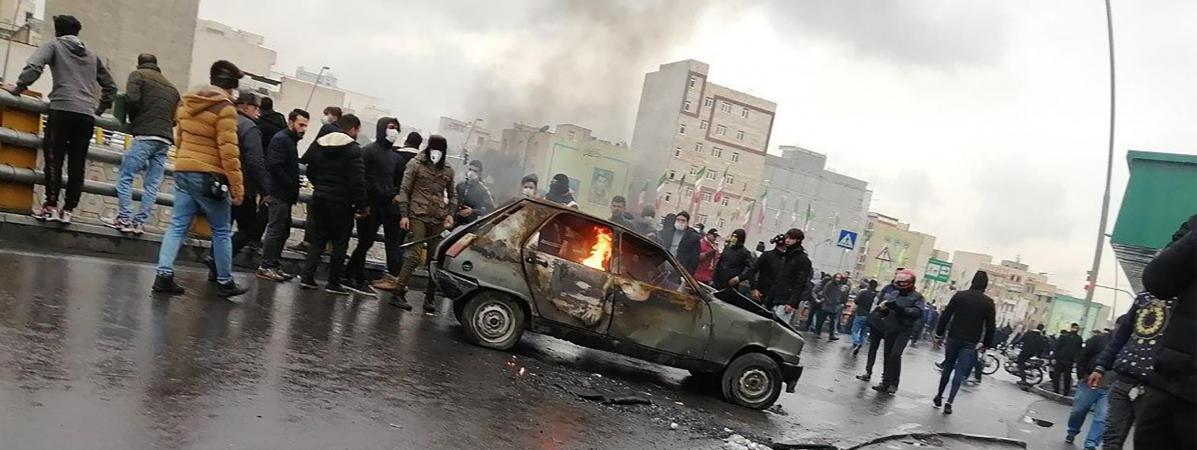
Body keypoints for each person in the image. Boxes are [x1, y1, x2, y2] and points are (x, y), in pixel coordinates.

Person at [1090, 215, 1195, 450]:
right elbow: (1122, 335)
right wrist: (1101, 366)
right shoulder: (1146, 299)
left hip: (1152, 384)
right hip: (1159, 383)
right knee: (1112, 438)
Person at [5, 15, 117, 224]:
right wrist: (98, 110)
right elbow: (110, 86)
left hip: (62, 109)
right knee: (77, 163)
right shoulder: (92, 55)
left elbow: (34, 67)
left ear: (57, 30)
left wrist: (19, 87)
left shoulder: (54, 46)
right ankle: (69, 210)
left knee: (54, 158)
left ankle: (51, 205)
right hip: (86, 115)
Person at [150, 60, 246, 297]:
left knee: (177, 226)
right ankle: (225, 281)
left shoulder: (187, 102)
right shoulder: (225, 108)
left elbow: (180, 138)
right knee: (222, 230)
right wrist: (237, 188)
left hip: (183, 169)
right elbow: (229, 151)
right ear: (231, 86)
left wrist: (182, 164)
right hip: (209, 175)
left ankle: (163, 276)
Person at [104, 53, 179, 234]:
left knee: (126, 176)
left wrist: (133, 119)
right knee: (152, 184)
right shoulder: (172, 88)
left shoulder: (137, 76)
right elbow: (175, 119)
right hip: (165, 139)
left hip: (145, 135)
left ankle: (124, 218)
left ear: (138, 64)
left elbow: (132, 99)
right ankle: (139, 223)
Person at [297, 114, 367, 295]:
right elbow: (357, 181)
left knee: (318, 239)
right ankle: (333, 282)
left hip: (319, 197)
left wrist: (320, 186)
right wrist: (361, 205)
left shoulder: (321, 144)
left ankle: (307, 277)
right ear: (353, 129)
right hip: (342, 202)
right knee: (340, 242)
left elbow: (311, 170)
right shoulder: (353, 150)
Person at [204, 91, 271, 281]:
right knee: (249, 229)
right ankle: (218, 261)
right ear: (245, 106)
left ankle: (214, 269)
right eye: (255, 108)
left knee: (222, 228)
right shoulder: (249, 127)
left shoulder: (226, 120)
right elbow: (255, 161)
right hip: (244, 185)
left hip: (220, 181)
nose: (258, 113)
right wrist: (265, 190)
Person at [392, 135, 457, 313]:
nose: (436, 153)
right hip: (417, 214)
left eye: (440, 150)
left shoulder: (448, 170)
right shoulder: (415, 164)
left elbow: (453, 195)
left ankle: (430, 297)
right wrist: (404, 215)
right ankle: (398, 291)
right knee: (414, 254)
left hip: (437, 217)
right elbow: (404, 190)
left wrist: (450, 214)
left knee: (435, 259)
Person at [342, 117, 404, 296]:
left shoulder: (393, 156)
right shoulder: (368, 151)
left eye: (397, 128)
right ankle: (349, 275)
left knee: (366, 242)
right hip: (369, 204)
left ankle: (357, 276)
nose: (394, 131)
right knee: (365, 242)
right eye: (391, 127)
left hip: (384, 205)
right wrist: (364, 202)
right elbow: (361, 177)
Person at [255, 108, 309, 282]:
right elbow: (274, 166)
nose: (303, 129)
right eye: (301, 124)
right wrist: (290, 182)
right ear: (291, 122)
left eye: (306, 126)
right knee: (275, 230)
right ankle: (266, 266)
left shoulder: (289, 140)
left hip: (285, 194)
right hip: (278, 192)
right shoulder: (282, 139)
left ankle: (274, 264)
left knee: (283, 230)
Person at [931, 271, 996, 415]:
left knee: (947, 367)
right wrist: (986, 343)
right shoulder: (988, 303)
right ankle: (949, 402)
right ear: (985, 285)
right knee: (960, 372)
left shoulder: (960, 296)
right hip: (971, 342)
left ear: (972, 281)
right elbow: (991, 326)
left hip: (954, 337)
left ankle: (939, 396)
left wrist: (939, 334)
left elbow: (946, 315)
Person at [371, 132, 422, 293]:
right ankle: (396, 276)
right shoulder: (421, 162)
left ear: (406, 141)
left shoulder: (395, 156)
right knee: (402, 244)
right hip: (411, 209)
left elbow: (388, 178)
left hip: (393, 206)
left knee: (392, 242)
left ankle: (394, 277)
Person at [871, 269, 925, 394]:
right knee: (887, 355)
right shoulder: (894, 294)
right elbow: (886, 309)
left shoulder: (917, 297)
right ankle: (885, 382)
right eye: (899, 282)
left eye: (903, 282)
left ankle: (894, 383)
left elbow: (917, 312)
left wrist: (901, 309)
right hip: (890, 327)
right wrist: (883, 309)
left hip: (904, 329)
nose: (901, 285)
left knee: (895, 354)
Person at [1067, 328, 1111, 450]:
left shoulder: (1129, 345)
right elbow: (1083, 355)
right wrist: (1082, 375)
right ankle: (1072, 431)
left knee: (1102, 417)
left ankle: (1091, 443)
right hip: (1089, 381)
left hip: (1110, 387)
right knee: (1079, 410)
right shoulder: (1099, 339)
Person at [762, 229, 812, 325]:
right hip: (777, 298)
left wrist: (792, 303)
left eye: (791, 238)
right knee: (771, 328)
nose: (787, 240)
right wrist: (767, 300)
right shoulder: (787, 257)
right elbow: (779, 280)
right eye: (787, 237)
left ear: (798, 240)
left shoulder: (802, 259)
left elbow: (801, 283)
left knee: (779, 329)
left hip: (786, 301)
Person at [731, 234, 785, 303]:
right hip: (760, 293)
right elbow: (752, 270)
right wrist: (753, 288)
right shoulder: (768, 255)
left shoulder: (785, 260)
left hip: (772, 297)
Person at [456, 159, 496, 226]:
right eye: (470, 169)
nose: (471, 173)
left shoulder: (483, 190)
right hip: (456, 222)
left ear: (479, 173)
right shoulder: (460, 185)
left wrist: (473, 211)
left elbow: (490, 210)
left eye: (475, 171)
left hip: (471, 225)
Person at [1053, 323, 1084, 396]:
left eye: (1076, 328)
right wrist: (1054, 357)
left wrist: (1076, 361)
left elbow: (1079, 351)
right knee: (1059, 375)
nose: (1075, 329)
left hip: (1067, 359)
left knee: (1065, 376)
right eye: (1074, 328)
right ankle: (1059, 390)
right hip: (1063, 359)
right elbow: (1057, 347)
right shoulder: (1065, 337)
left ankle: (1062, 391)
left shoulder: (1077, 338)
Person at [814, 273, 847, 340]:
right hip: (827, 305)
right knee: (821, 320)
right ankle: (818, 333)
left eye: (839, 278)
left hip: (834, 306)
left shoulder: (840, 285)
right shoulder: (829, 284)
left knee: (832, 321)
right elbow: (824, 292)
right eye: (837, 277)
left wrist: (839, 301)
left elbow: (840, 294)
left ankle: (831, 335)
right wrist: (828, 300)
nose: (838, 279)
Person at [850, 280, 878, 353]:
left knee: (854, 330)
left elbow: (856, 301)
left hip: (860, 313)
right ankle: (861, 343)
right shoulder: (876, 295)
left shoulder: (863, 292)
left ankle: (856, 342)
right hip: (869, 315)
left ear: (869, 284)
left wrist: (853, 310)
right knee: (863, 332)